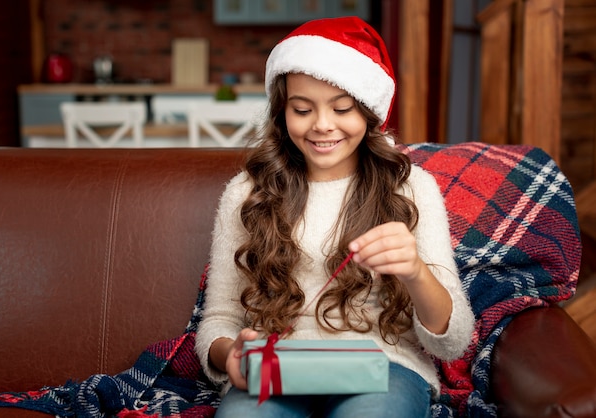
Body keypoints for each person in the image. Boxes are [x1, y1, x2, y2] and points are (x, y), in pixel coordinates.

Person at [194, 16, 475, 418]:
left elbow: (453, 342)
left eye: (342, 108)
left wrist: (415, 271)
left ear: (368, 111)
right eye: (302, 109)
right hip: (278, 367)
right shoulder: (247, 192)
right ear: (281, 111)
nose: (323, 125)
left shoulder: (410, 188)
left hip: (386, 366)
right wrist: (229, 354)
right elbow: (219, 319)